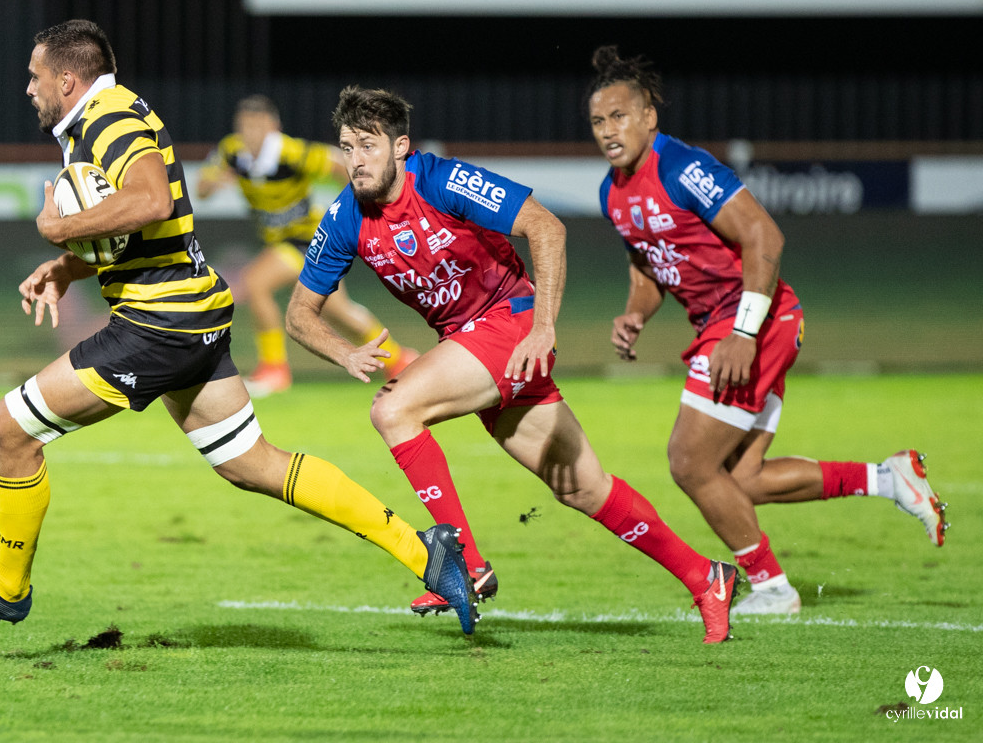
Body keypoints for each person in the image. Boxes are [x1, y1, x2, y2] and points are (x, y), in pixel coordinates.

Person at [0, 20, 479, 637]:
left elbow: (151, 199)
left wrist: (56, 230)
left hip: (159, 323)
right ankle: (429, 553)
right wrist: (68, 267)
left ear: (67, 78)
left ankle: (6, 588)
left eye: (35, 76)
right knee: (253, 465)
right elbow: (138, 231)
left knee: (9, 430)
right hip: (190, 316)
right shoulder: (99, 121)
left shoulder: (110, 118)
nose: (28, 88)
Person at [286, 85, 739, 644]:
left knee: (394, 410)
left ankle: (467, 567)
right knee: (582, 488)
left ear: (400, 146)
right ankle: (706, 577)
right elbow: (299, 315)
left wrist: (545, 326)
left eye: (368, 145)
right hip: (472, 345)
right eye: (347, 147)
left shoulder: (442, 180)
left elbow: (546, 227)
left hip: (511, 322)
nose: (356, 160)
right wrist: (343, 351)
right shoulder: (344, 217)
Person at [586, 45, 949, 615]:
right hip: (730, 326)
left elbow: (765, 238)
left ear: (649, 116)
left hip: (753, 321)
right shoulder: (613, 192)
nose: (609, 130)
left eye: (620, 116)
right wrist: (636, 312)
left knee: (688, 462)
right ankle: (888, 479)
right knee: (741, 480)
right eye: (598, 121)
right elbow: (650, 265)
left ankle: (771, 589)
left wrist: (745, 333)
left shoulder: (683, 166)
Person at [195, 95, 418, 397]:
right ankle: (399, 359)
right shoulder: (231, 152)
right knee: (340, 313)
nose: (252, 133)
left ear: (274, 127)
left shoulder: (293, 153)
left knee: (255, 283)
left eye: (259, 126)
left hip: (307, 239)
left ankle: (275, 369)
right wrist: (214, 183)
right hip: (288, 242)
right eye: (245, 127)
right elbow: (203, 189)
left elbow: (339, 164)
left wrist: (361, 199)